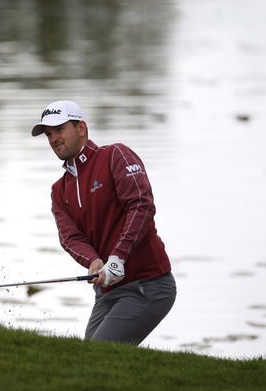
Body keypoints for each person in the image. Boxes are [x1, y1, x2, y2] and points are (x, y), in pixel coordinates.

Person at [31, 100, 176, 345]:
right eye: (48, 134)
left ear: (81, 128)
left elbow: (141, 205)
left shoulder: (114, 155)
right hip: (107, 291)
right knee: (92, 363)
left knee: (97, 357)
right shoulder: (59, 190)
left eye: (59, 129)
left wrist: (118, 257)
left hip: (147, 285)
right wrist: (94, 261)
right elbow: (70, 237)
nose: (53, 138)